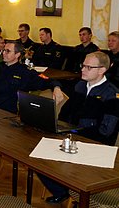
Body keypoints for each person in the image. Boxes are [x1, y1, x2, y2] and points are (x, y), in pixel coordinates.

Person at [39, 52, 119, 204]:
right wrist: (59, 128)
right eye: (83, 65)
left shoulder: (112, 94)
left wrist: (75, 135)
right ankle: (62, 191)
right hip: (72, 137)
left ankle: (74, 194)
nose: (83, 69)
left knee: (56, 162)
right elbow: (65, 113)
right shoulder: (80, 85)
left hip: (95, 145)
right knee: (37, 158)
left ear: (102, 70)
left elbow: (106, 131)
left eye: (89, 67)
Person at [0, 41, 63, 113]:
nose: (4, 53)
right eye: (3, 50)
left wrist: (56, 87)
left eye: (8, 51)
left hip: (6, 113)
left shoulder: (24, 72)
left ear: (17, 54)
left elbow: (45, 80)